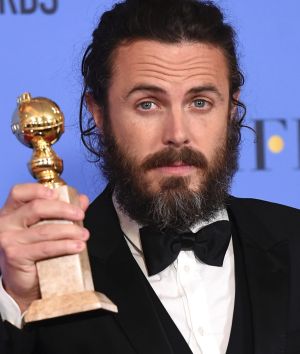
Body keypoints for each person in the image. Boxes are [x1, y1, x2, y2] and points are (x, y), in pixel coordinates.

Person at [1, 0, 300, 353]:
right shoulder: (48, 269)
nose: (177, 133)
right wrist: (15, 299)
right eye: (148, 104)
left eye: (200, 102)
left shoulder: (292, 238)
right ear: (98, 112)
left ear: (231, 109)